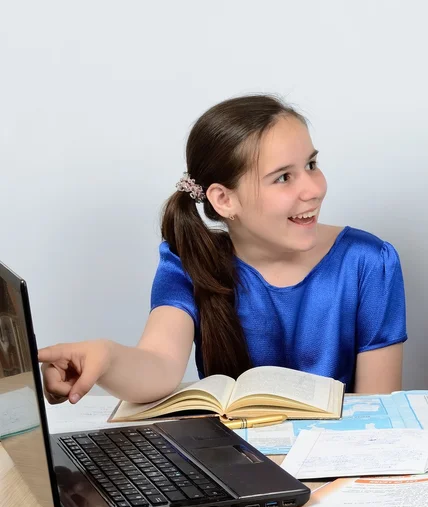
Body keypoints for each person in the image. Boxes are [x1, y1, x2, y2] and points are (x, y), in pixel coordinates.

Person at [39, 94, 407, 406]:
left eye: (311, 164)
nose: (313, 188)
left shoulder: (369, 262)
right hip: (239, 471)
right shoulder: (188, 262)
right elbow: (159, 365)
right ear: (224, 199)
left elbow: (378, 408)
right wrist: (105, 358)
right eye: (283, 177)